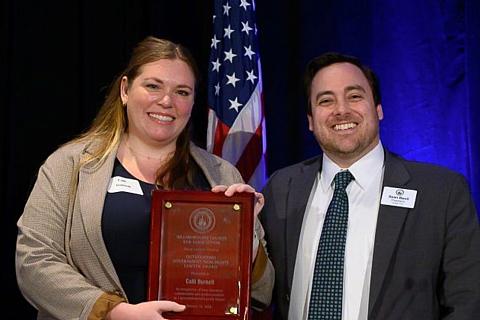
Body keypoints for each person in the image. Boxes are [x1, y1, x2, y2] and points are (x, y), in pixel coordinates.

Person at [16, 36, 274, 320]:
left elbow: (262, 292)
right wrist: (115, 312)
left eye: (182, 92)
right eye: (153, 86)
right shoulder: (70, 165)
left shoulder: (222, 174)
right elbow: (33, 261)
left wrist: (242, 232)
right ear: (125, 90)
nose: (166, 101)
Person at [260, 52, 480, 319]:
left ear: (378, 109)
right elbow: (259, 289)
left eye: (354, 96)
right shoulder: (281, 187)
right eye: (326, 100)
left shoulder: (441, 193)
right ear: (310, 121)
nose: (341, 110)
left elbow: (467, 303)